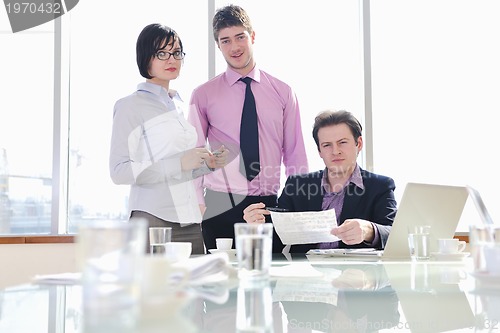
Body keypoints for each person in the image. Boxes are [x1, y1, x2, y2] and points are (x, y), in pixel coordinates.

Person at [188, 4, 309, 251]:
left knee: (268, 282)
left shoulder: (283, 92)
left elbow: (295, 153)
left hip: (268, 206)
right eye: (225, 41)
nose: (234, 47)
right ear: (218, 45)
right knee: (222, 284)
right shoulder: (203, 95)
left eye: (240, 37)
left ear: (252, 36)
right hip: (220, 204)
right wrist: (198, 204)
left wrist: (297, 208)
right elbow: (195, 154)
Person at [109, 23, 227, 254]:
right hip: (152, 218)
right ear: (145, 57)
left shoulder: (178, 106)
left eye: (176, 53)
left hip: (189, 219)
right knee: (153, 289)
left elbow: (176, 170)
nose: (171, 59)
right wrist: (180, 163)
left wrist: (205, 166)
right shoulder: (130, 106)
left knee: (193, 289)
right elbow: (119, 171)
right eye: (161, 53)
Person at [243, 110, 397, 253]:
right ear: (319, 151)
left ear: (359, 144)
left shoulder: (380, 186)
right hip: (305, 276)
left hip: (356, 276)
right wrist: (258, 228)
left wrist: (369, 230)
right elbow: (276, 243)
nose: (335, 151)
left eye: (342, 142)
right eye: (327, 145)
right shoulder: (297, 185)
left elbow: (394, 234)